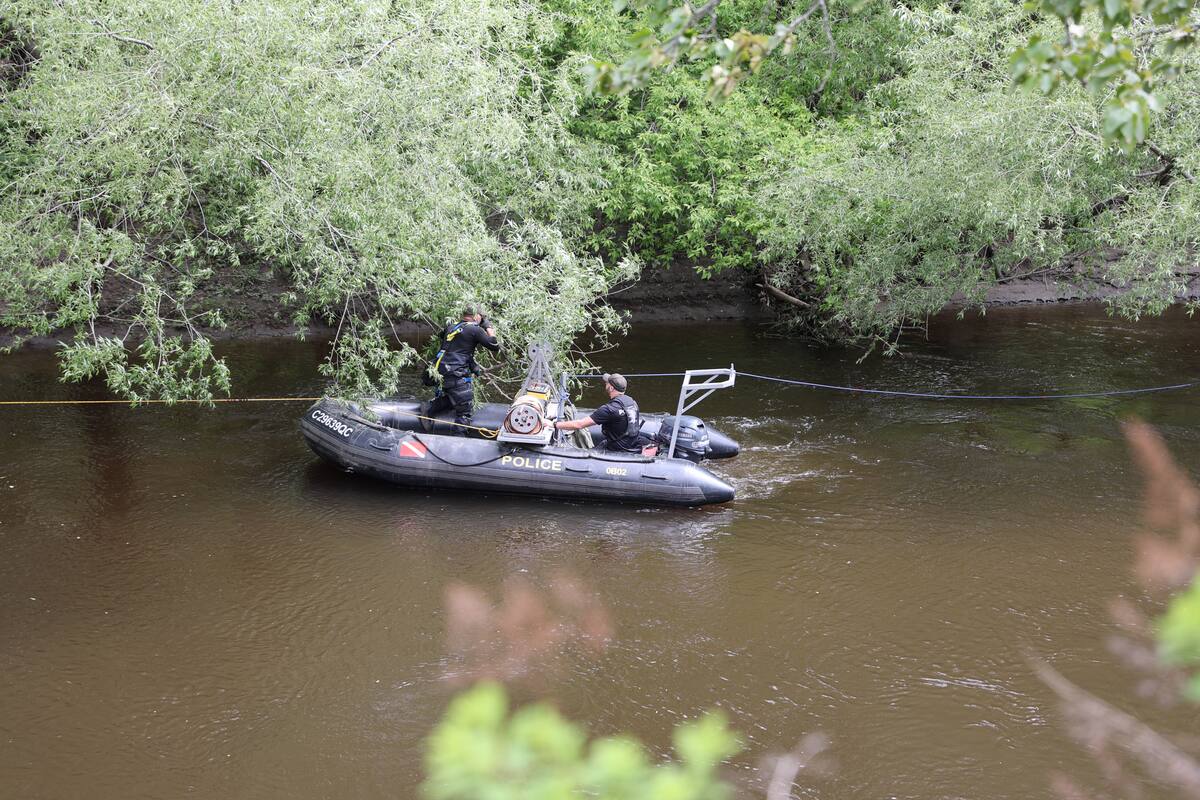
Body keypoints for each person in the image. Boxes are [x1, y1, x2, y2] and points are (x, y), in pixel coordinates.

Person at [426, 305, 499, 435]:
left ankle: (430, 408)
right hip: (455, 372)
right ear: (476, 316)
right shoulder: (475, 330)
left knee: (454, 397)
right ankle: (458, 443)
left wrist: (472, 365)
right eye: (480, 317)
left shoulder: (451, 327)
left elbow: (455, 346)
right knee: (464, 411)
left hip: (440, 370)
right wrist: (487, 326)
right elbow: (494, 345)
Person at [553, 373, 642, 452]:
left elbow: (579, 424)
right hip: (631, 445)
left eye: (607, 383)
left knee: (587, 456)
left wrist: (555, 425)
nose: (605, 384)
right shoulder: (632, 402)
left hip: (617, 449)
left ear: (611, 388)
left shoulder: (609, 409)